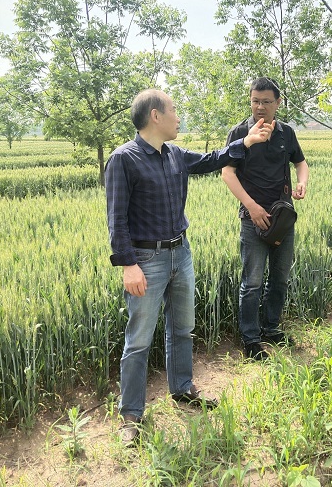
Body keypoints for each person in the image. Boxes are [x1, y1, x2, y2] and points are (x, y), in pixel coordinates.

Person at [105, 89, 273, 445]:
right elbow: (116, 218)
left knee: (182, 328)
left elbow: (213, 159)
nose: (179, 117)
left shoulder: (175, 155)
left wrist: (246, 140)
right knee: (138, 341)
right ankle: (131, 415)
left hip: (181, 253)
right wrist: (128, 265)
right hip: (146, 260)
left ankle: (181, 389)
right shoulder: (124, 159)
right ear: (155, 116)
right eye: (174, 110)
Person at [222, 77, 309, 361]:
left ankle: (271, 328)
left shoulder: (286, 133)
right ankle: (250, 339)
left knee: (280, 278)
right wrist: (251, 206)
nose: (260, 107)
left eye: (266, 102)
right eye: (255, 101)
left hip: (282, 217)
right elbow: (227, 173)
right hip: (252, 218)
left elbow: (300, 162)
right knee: (253, 281)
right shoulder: (239, 132)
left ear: (278, 103)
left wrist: (302, 182)